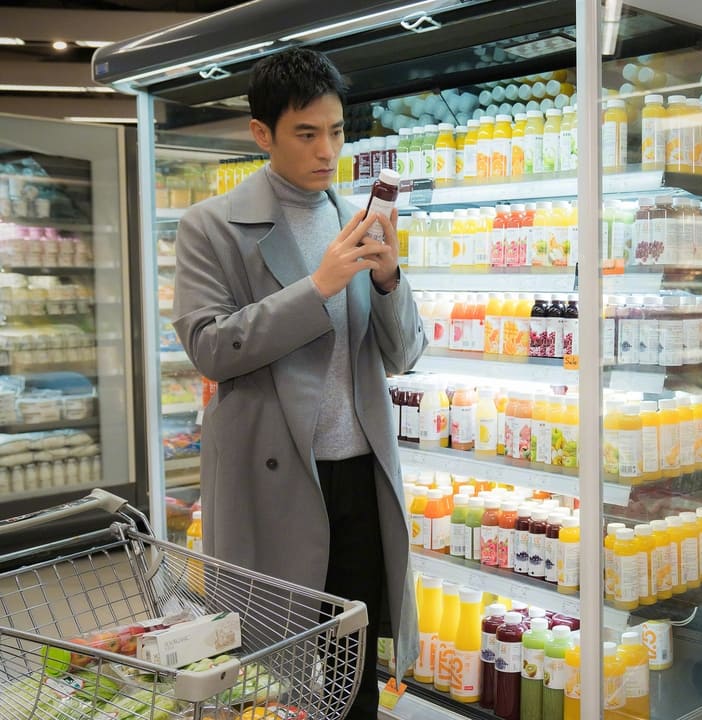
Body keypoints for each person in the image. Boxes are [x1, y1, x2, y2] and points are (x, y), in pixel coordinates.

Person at [173, 48, 425, 717]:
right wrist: (317, 287)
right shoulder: (211, 226)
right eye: (306, 134)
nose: (327, 151)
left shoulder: (357, 220)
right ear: (263, 134)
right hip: (274, 480)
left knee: (353, 668)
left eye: (336, 131)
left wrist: (388, 279)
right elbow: (210, 348)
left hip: (362, 476)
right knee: (269, 672)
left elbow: (404, 354)